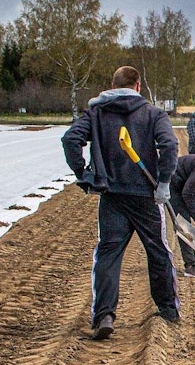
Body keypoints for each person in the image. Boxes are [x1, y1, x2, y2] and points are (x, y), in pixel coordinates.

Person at [62, 66, 180, 339]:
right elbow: (170, 146)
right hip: (146, 197)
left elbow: (71, 139)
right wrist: (163, 183)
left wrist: (83, 173)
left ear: (112, 85)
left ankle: (104, 314)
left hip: (112, 196)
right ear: (138, 86)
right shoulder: (152, 114)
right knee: (158, 251)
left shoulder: (96, 113)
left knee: (108, 254)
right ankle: (168, 310)